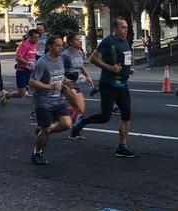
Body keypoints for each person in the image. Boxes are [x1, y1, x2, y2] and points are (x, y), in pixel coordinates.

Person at [70, 17, 137, 158]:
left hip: (123, 84)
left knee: (126, 115)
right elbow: (93, 59)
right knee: (105, 117)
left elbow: (123, 59)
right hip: (108, 84)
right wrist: (110, 68)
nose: (126, 30)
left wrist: (127, 69)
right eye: (123, 27)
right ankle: (83, 122)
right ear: (116, 29)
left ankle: (122, 146)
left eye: (126, 27)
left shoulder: (125, 41)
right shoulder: (108, 41)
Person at [29, 36, 73, 165]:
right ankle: (37, 153)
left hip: (57, 100)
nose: (61, 48)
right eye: (58, 45)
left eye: (62, 45)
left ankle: (43, 131)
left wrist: (65, 82)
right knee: (46, 129)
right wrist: (49, 86)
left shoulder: (60, 59)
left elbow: (58, 75)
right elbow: (32, 82)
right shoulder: (42, 62)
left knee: (66, 124)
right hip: (43, 101)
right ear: (50, 46)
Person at [62, 32, 94, 137]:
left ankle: (57, 114)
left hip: (75, 82)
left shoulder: (80, 52)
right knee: (78, 109)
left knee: (80, 109)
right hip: (66, 83)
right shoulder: (65, 54)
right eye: (76, 39)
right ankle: (74, 131)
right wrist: (65, 79)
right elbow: (57, 69)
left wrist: (88, 77)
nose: (79, 41)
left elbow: (81, 66)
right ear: (70, 42)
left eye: (79, 39)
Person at [0, 29, 40, 105]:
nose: (37, 39)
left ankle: (37, 108)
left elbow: (33, 56)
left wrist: (35, 63)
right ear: (30, 37)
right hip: (22, 71)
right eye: (35, 37)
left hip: (31, 71)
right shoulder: (24, 45)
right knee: (21, 94)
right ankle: (7, 95)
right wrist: (28, 63)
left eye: (38, 37)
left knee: (38, 89)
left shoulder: (35, 45)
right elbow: (18, 58)